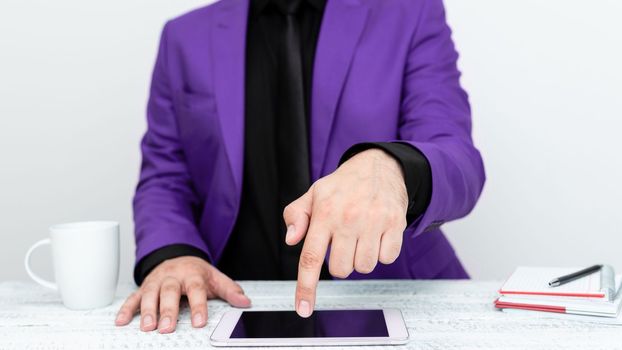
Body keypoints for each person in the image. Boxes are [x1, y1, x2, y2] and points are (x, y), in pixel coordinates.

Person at [115, 0, 485, 334]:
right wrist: (173, 253)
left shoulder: (411, 12)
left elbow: (456, 154)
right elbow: (165, 178)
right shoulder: (183, 37)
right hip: (232, 308)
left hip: (393, 300)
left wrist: (393, 169)